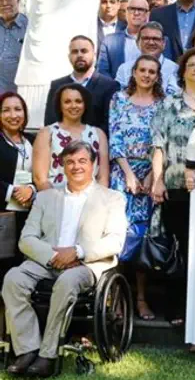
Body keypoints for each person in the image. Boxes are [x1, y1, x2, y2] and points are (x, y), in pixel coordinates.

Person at [2, 141, 127, 378]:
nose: (76, 166)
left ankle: (47, 354)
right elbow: (26, 239)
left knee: (67, 282)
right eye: (70, 162)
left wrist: (78, 251)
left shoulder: (112, 198)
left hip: (86, 265)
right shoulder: (46, 197)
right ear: (62, 166)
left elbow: (114, 241)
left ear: (93, 165)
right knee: (13, 278)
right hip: (46, 262)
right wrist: (54, 256)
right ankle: (27, 349)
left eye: (82, 161)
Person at [150, 48, 195, 328]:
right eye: (193, 65)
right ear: (183, 70)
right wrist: (158, 179)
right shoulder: (169, 104)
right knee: (180, 249)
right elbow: (158, 145)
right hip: (176, 186)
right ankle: (177, 309)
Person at [108, 54, 165, 322]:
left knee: (142, 239)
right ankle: (116, 298)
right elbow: (115, 136)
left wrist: (153, 176)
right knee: (119, 236)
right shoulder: (118, 99)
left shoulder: (163, 104)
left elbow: (160, 143)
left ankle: (141, 299)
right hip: (123, 174)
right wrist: (129, 174)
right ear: (133, 72)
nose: (146, 75)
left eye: (152, 71)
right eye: (142, 70)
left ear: (157, 75)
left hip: (150, 176)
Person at [34, 83, 109, 191]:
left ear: (85, 104)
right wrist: (55, 202)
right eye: (67, 101)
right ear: (59, 105)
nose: (73, 106)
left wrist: (95, 203)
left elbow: (103, 178)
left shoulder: (99, 134)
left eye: (78, 101)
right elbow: (40, 179)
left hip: (91, 201)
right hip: (56, 198)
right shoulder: (47, 133)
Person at [43, 35, 120, 136]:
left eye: (84, 51)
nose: (79, 55)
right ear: (69, 56)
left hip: (96, 146)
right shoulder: (57, 85)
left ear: (94, 55)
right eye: (75, 52)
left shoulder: (110, 86)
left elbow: (110, 123)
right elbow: (50, 121)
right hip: (63, 147)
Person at [0, 92, 34, 271]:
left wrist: (30, 189)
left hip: (28, 214)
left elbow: (43, 173)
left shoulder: (33, 140)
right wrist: (12, 191)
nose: (13, 115)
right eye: (6, 110)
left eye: (18, 109)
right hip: (3, 213)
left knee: (20, 265)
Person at [114, 22, 180, 95]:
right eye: (146, 38)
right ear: (137, 43)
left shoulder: (174, 69)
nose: (151, 43)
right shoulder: (124, 69)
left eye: (156, 39)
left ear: (163, 43)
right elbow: (118, 98)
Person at [97, 0, 150, 78]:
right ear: (126, 13)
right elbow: (102, 71)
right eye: (132, 9)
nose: (136, 13)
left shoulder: (159, 41)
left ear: (147, 14)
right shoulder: (109, 41)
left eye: (140, 9)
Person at [0, 0, 28, 94]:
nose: (5, 3)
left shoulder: (29, 27)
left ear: (18, 0)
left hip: (19, 93)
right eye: (0, 0)